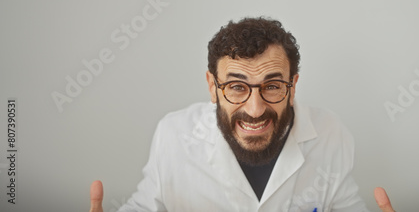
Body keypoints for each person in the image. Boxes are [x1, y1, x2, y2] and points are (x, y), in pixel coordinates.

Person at [89, 17, 396, 212]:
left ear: (293, 87)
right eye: (237, 87)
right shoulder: (173, 135)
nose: (255, 109)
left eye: (273, 86)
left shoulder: (330, 133)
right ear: (212, 87)